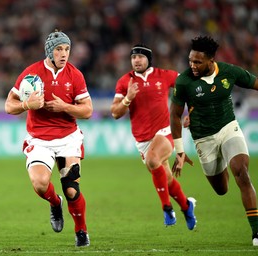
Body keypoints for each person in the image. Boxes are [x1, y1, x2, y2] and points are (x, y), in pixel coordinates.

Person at [5, 29, 93, 247]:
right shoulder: (31, 74)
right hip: (39, 139)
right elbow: (9, 105)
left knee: (72, 189)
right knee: (40, 184)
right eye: (59, 49)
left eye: (67, 49)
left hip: (68, 139)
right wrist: (27, 105)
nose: (64, 54)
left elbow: (88, 110)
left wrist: (65, 107)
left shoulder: (75, 75)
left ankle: (81, 231)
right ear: (49, 51)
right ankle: (55, 203)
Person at [170, 35, 258, 246]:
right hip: (204, 138)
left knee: (242, 174)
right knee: (221, 190)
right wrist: (180, 152)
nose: (192, 65)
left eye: (198, 62)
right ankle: (225, 163)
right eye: (190, 60)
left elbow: (255, 83)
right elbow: (174, 116)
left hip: (228, 128)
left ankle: (256, 233)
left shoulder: (229, 72)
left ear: (211, 60)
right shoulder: (183, 81)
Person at [110, 44, 197, 230]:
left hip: (164, 132)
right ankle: (187, 206)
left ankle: (167, 208)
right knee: (166, 179)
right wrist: (128, 98)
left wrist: (192, 110)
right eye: (133, 57)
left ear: (149, 59)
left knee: (152, 160)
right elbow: (115, 113)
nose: (136, 60)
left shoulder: (165, 75)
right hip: (142, 140)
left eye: (140, 57)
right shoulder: (125, 82)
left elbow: (189, 87)